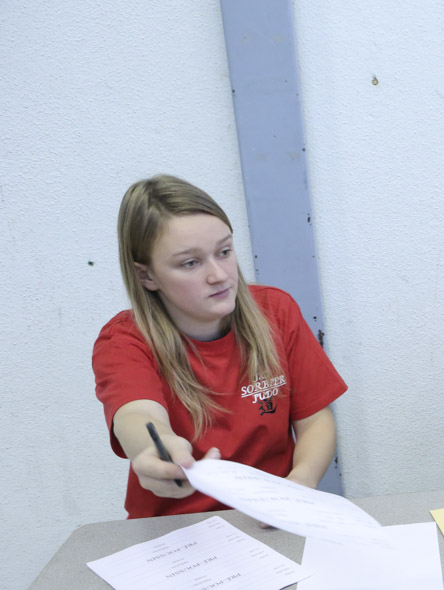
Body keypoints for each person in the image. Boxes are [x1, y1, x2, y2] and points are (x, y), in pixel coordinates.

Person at [93, 175, 347, 518]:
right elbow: (137, 416)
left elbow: (315, 421)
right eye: (190, 263)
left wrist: (299, 484)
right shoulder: (124, 341)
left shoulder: (276, 311)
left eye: (224, 252)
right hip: (175, 528)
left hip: (269, 516)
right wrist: (159, 449)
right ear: (146, 276)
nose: (220, 275)